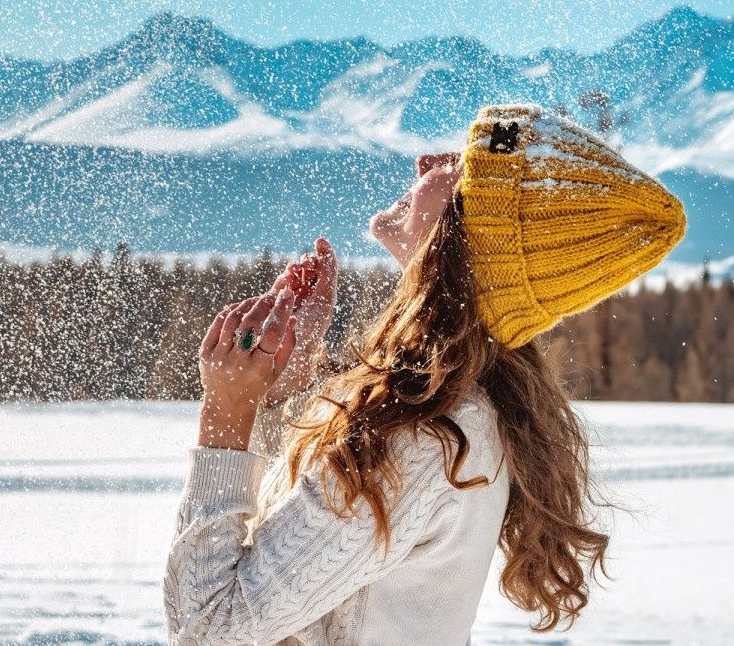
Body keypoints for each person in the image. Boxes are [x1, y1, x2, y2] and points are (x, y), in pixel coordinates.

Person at [162, 103, 688, 645]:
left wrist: (226, 413)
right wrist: (283, 392)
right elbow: (290, 580)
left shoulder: (425, 438)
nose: (425, 161)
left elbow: (209, 629)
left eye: (458, 165)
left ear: (466, 237)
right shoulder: (449, 414)